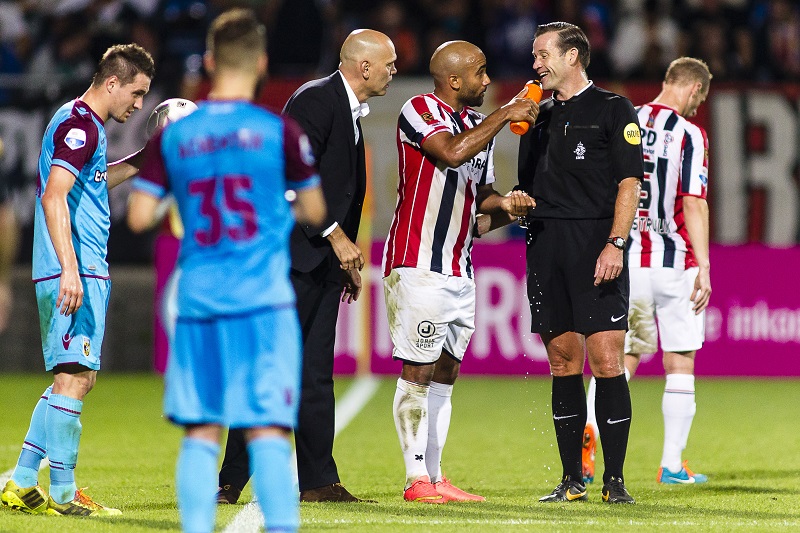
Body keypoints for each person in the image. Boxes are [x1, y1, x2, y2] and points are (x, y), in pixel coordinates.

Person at [130, 9, 326, 532]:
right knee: (266, 431)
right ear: (262, 62)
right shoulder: (278, 131)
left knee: (200, 432)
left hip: (198, 300)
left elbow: (139, 215)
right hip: (264, 301)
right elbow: (314, 211)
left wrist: (183, 204)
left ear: (211, 61)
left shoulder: (175, 137)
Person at [216, 28, 397, 505]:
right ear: (363, 67)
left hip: (317, 264)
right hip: (288, 261)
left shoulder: (348, 110)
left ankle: (317, 480)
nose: (393, 71)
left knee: (314, 374)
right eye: (388, 64)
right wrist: (335, 237)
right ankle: (230, 480)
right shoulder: (316, 100)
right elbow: (283, 175)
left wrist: (343, 259)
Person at [0, 44, 154, 516]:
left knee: (75, 377)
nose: (139, 104)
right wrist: (70, 268)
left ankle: (24, 480)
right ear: (112, 83)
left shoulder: (84, 126)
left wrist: (147, 158)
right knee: (75, 376)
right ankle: (64, 496)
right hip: (75, 268)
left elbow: (91, 182)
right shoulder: (79, 124)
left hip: (81, 267)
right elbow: (53, 197)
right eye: (136, 92)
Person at [384, 40, 537, 503]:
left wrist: (509, 205)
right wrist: (506, 112)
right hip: (419, 264)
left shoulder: (476, 126)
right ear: (454, 80)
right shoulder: (418, 110)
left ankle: (435, 474)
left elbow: (480, 200)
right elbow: (450, 153)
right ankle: (415, 480)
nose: (487, 81)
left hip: (459, 266)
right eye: (480, 72)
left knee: (447, 371)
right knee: (419, 370)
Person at [517, 21, 644, 504]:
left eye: (544, 54)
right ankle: (572, 480)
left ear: (573, 56)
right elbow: (525, 188)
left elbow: (629, 182)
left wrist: (616, 242)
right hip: (547, 246)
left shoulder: (614, 108)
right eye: (534, 55)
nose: (536, 64)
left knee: (607, 360)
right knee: (562, 361)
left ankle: (614, 481)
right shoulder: (536, 117)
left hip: (597, 246)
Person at [583, 57, 712, 486]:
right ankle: (672, 465)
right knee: (680, 360)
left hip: (628, 262)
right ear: (694, 89)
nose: (696, 108)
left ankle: (588, 435)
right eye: (699, 100)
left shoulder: (629, 119)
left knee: (620, 359)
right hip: (675, 264)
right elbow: (693, 201)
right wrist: (705, 265)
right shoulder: (689, 134)